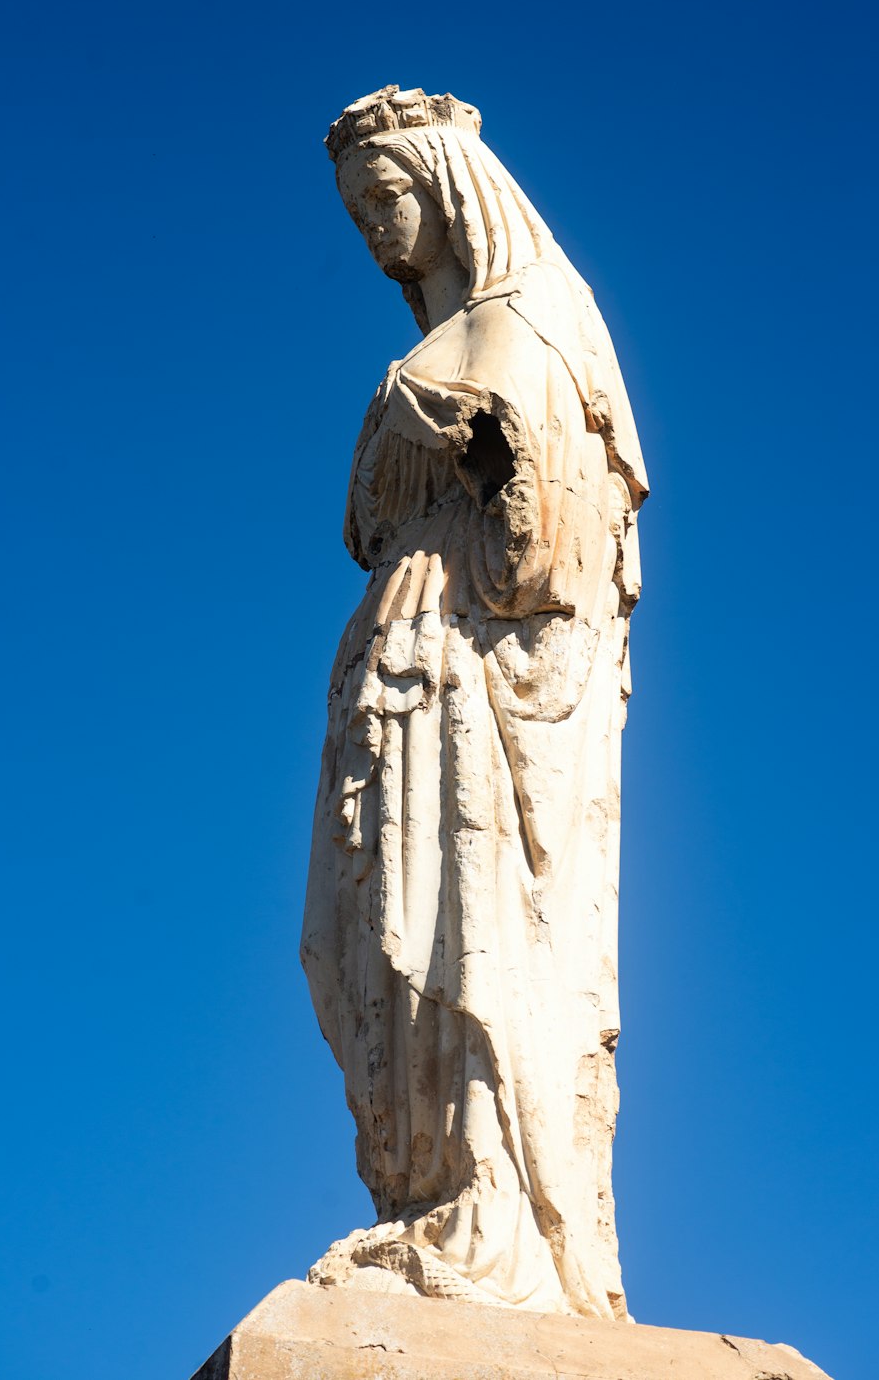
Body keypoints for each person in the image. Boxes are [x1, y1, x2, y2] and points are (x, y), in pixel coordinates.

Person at [301, 86, 648, 1320]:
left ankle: (492, 1208)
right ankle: (427, 1197)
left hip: (476, 681)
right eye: (358, 215)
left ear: (449, 190)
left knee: (468, 928)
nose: (378, 231)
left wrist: (474, 444)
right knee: (369, 943)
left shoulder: (535, 328)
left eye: (390, 199)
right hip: (398, 671)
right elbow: (362, 528)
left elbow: (553, 560)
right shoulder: (415, 350)